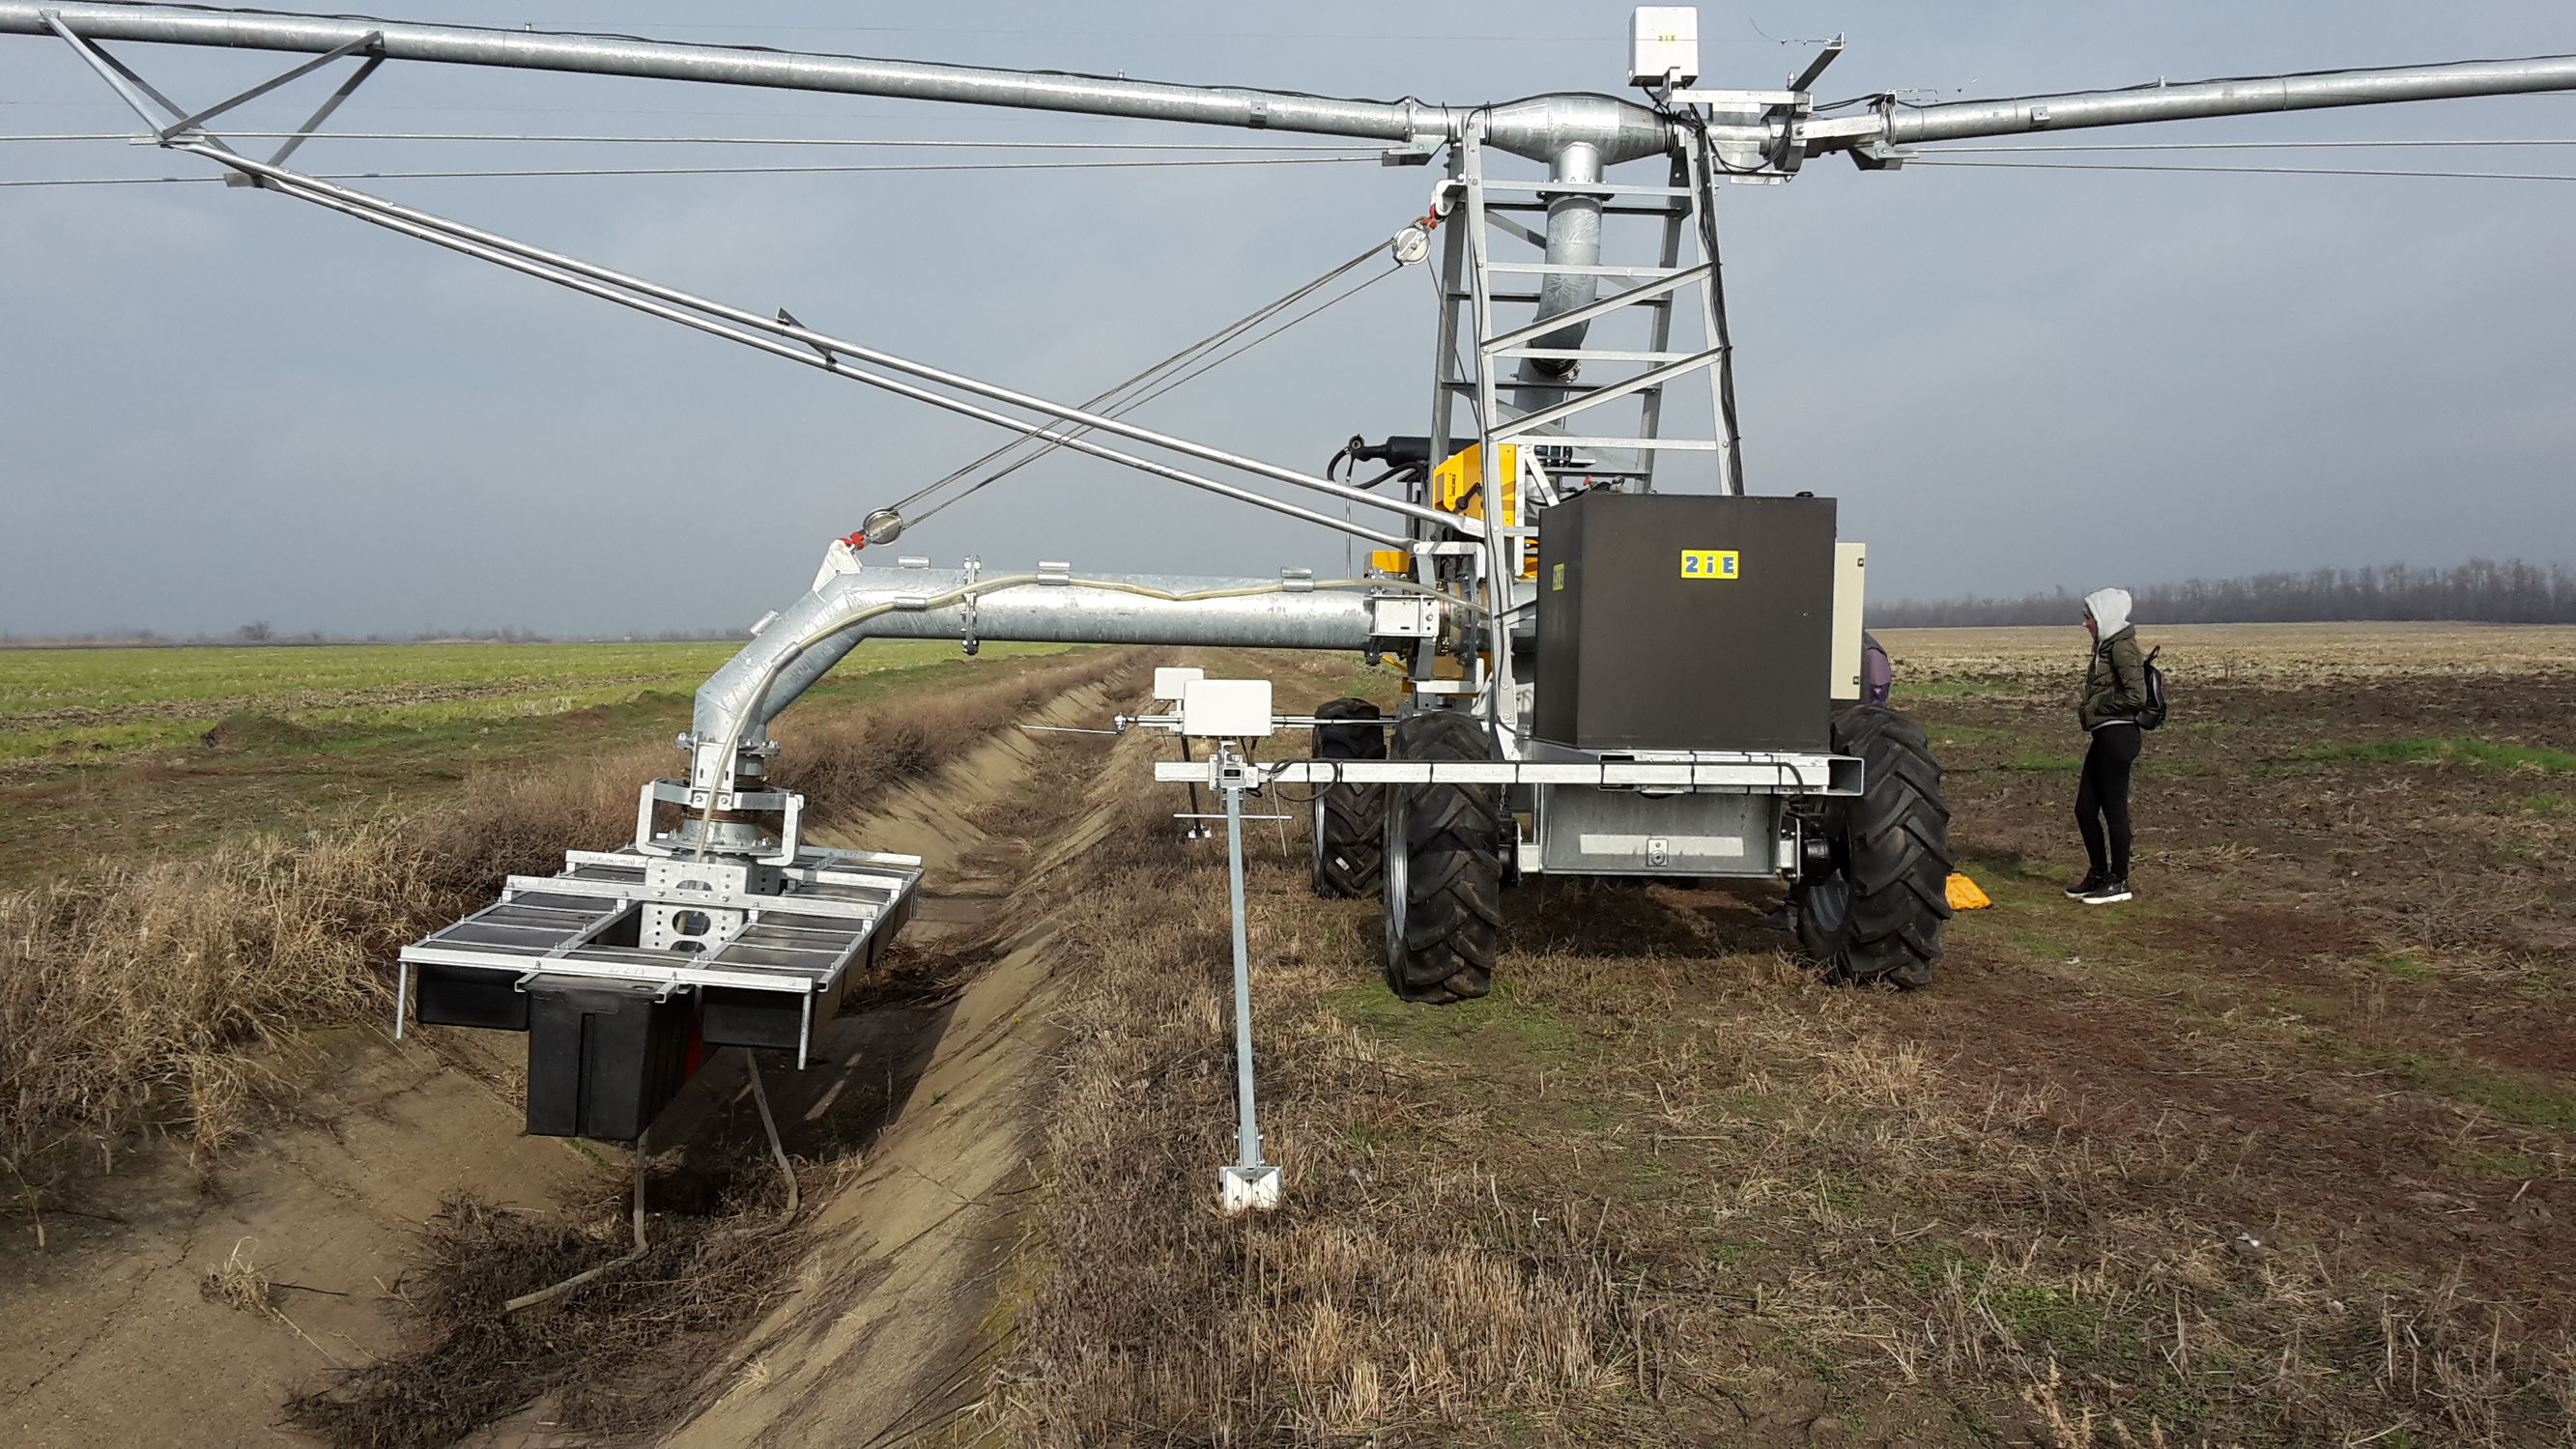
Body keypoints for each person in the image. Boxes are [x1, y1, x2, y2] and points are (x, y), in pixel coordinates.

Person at [2070, 587, 2148, 904]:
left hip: (2118, 736)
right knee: (2085, 809)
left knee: (2114, 809)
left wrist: (2096, 708)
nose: (2085, 623)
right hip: (2104, 735)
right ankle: (2098, 874)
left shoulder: (2121, 648)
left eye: (2088, 617)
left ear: (2104, 617)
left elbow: (2136, 696)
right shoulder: (2105, 646)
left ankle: (2119, 881)